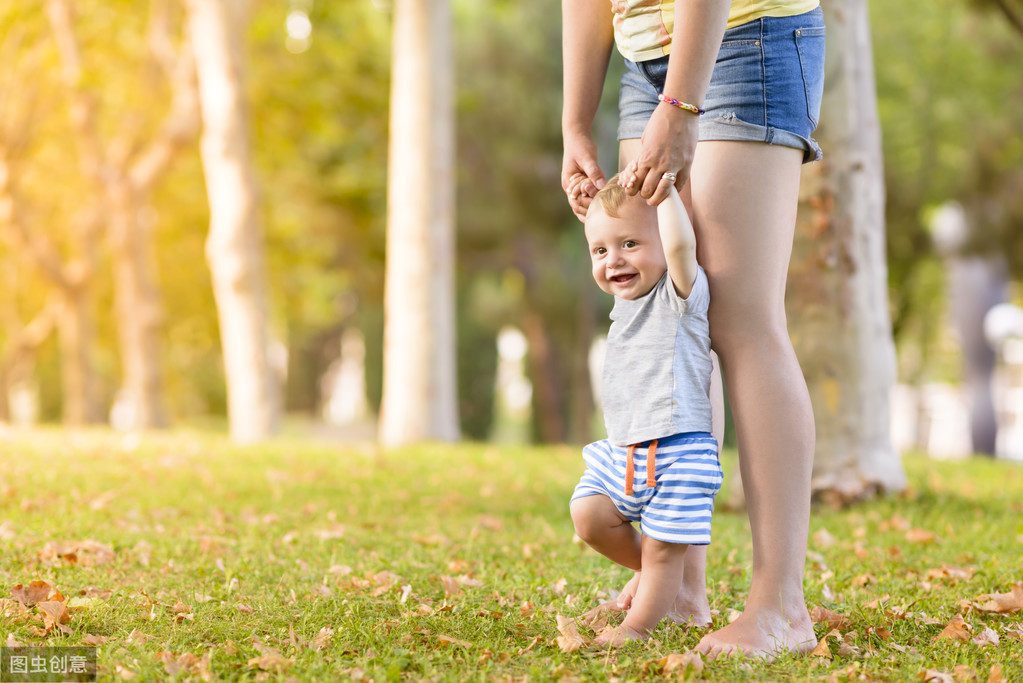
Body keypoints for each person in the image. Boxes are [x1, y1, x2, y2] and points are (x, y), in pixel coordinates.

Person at [562, 0, 825, 659]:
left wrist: (679, 105)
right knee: (669, 315)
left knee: (739, 317)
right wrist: (572, 122)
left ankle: (779, 607)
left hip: (746, 34)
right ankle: (678, 589)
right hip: (642, 56)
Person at [570, 171, 722, 646]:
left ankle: (637, 626)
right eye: (600, 250)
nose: (613, 260)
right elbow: (611, 235)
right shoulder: (622, 306)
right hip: (623, 452)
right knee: (588, 514)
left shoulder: (679, 295)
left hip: (677, 453)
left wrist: (667, 194)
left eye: (631, 243)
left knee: (661, 556)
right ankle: (661, 577)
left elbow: (679, 248)